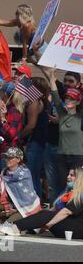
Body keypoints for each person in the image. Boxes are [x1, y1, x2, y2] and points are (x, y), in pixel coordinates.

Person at [0, 167, 83, 239]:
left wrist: (49, 224)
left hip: (78, 228)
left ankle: (15, 227)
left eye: (72, 175)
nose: (68, 177)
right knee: (45, 212)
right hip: (69, 225)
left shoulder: (81, 195)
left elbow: (66, 211)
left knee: (48, 215)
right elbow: (54, 210)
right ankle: (25, 229)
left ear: (79, 179)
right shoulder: (66, 193)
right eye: (68, 174)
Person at [47, 68, 83, 196]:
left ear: (78, 101)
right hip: (62, 156)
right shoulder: (62, 113)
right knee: (63, 187)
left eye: (72, 99)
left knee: (78, 187)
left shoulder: (80, 116)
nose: (68, 101)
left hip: (78, 157)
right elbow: (55, 93)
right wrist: (51, 74)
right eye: (67, 98)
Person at [0, 147, 41, 230]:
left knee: (8, 227)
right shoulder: (5, 173)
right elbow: (5, 194)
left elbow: (23, 197)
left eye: (10, 158)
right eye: (6, 157)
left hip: (27, 208)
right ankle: (3, 220)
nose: (7, 160)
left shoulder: (24, 173)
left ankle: (19, 223)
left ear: (18, 159)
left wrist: (15, 210)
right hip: (12, 206)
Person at [18, 77, 50, 198]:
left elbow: (31, 125)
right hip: (40, 143)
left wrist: (18, 136)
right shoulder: (43, 101)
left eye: (30, 85)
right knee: (34, 176)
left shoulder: (34, 102)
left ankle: (35, 206)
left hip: (35, 143)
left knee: (32, 176)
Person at [0, 82, 24, 170]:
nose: (0, 95)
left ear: (5, 94)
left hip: (9, 152)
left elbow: (11, 134)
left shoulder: (14, 111)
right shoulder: (7, 109)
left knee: (7, 180)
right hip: (3, 149)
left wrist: (3, 118)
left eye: (1, 93)